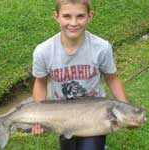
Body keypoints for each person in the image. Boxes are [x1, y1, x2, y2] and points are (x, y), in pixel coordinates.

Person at [32, 0, 128, 150]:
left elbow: (112, 79)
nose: (74, 22)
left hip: (95, 114)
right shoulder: (43, 51)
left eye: (80, 16)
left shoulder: (101, 48)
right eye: (67, 16)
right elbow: (40, 82)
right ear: (56, 16)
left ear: (90, 16)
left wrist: (125, 108)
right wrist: (37, 115)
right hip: (62, 115)